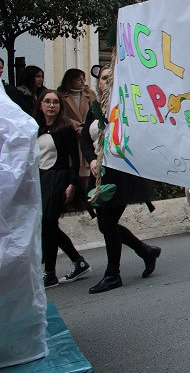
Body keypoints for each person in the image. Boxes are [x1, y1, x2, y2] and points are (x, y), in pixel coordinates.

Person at [80, 65, 161, 294]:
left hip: (121, 174)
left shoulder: (128, 106)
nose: (107, 81)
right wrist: (91, 160)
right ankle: (146, 251)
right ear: (99, 83)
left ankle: (113, 274)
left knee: (106, 224)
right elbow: (86, 138)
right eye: (103, 78)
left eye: (111, 78)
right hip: (99, 172)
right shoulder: (95, 108)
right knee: (106, 224)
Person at [35, 90, 91, 288]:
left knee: (49, 223)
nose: (51, 105)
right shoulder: (36, 127)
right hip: (39, 179)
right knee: (47, 225)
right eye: (47, 101)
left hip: (58, 178)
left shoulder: (65, 128)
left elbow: (74, 159)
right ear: (41, 104)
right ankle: (78, 261)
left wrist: (73, 183)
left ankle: (50, 273)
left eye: (55, 102)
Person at [57, 68, 97, 189]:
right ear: (70, 80)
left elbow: (95, 113)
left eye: (83, 79)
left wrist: (85, 127)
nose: (82, 82)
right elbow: (62, 115)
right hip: (71, 135)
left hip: (86, 134)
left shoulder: (90, 95)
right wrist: (76, 126)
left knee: (87, 172)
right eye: (79, 79)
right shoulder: (61, 96)